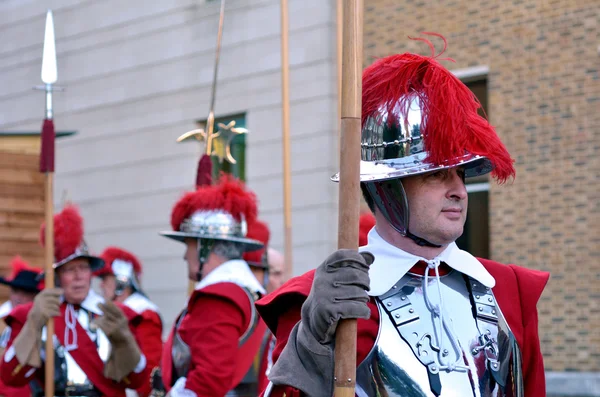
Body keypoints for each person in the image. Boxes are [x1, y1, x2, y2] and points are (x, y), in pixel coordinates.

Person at [256, 36, 549, 397]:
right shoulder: (322, 302)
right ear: (387, 188)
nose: (459, 189)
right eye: (436, 174)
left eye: (461, 174)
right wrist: (311, 344)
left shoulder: (509, 289)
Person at [0, 204, 151, 397]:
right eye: (70, 270)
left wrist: (125, 341)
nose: (79, 276)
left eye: (83, 267)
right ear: (56, 276)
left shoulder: (115, 314)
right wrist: (33, 324)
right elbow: (10, 375)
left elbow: (138, 378)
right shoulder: (36, 314)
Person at [159, 176, 268, 396]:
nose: (184, 256)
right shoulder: (244, 291)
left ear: (204, 247)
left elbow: (210, 380)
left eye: (189, 245)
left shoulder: (218, 297)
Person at [96, 247, 163, 397]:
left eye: (106, 278)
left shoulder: (144, 313)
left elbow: (149, 370)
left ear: (121, 282)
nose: (101, 285)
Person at [0, 256, 43, 397]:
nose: (18, 297)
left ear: (35, 296)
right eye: (15, 291)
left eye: (25, 292)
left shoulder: (44, 326)